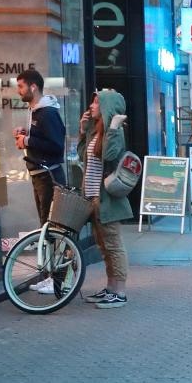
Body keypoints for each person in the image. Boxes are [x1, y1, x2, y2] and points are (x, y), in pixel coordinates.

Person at [80, 89, 133, 308]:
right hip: (93, 196)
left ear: (106, 107)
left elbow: (110, 155)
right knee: (103, 245)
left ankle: (119, 292)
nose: (91, 106)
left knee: (113, 244)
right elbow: (83, 155)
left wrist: (112, 127)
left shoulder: (115, 131)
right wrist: (84, 130)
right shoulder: (96, 130)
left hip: (106, 199)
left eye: (95, 103)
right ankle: (110, 287)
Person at [14, 68, 65, 232]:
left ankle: (54, 255)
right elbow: (44, 137)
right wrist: (25, 134)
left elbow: (56, 145)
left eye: (21, 86)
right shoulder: (35, 110)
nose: (18, 91)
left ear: (33, 87)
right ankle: (50, 254)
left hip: (48, 175)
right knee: (46, 224)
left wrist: (27, 140)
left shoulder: (47, 112)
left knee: (49, 225)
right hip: (40, 174)